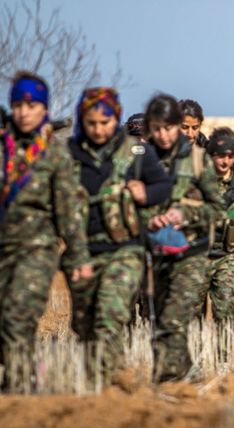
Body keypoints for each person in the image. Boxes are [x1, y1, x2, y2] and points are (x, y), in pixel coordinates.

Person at [66, 87, 171, 380]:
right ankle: (93, 379)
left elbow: (163, 186)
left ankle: (110, 381)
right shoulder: (69, 155)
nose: (99, 130)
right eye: (91, 123)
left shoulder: (136, 153)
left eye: (105, 122)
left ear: (115, 120)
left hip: (125, 248)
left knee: (110, 316)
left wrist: (146, 192)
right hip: (83, 250)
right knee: (84, 324)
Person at [0, 71, 93, 392]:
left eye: (31, 105)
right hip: (3, 249)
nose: (24, 112)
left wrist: (80, 257)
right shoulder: (3, 149)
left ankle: (20, 390)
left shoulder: (53, 154)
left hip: (37, 251)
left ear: (44, 109)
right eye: (18, 105)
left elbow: (68, 210)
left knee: (17, 317)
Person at [143, 94, 224, 381]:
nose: (165, 135)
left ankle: (169, 377)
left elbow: (217, 209)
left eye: (170, 127)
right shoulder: (140, 159)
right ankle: (185, 374)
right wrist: (148, 218)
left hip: (192, 251)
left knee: (176, 316)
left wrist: (184, 216)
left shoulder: (199, 161)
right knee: (159, 317)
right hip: (155, 251)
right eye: (158, 128)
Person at [205, 127, 234, 324]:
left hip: (229, 255)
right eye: (220, 155)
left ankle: (223, 354)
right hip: (199, 255)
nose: (225, 161)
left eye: (231, 156)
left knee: (224, 309)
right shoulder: (197, 180)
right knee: (192, 310)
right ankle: (197, 353)